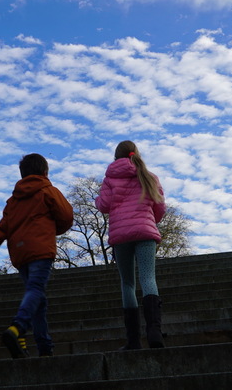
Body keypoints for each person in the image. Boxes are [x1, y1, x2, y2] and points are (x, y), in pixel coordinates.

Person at [0, 153, 73, 359]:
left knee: (37, 299)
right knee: (35, 289)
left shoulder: (13, 201)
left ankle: (43, 346)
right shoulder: (48, 191)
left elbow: (2, 227)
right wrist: (53, 228)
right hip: (40, 249)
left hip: (20, 252)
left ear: (22, 174)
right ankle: (18, 328)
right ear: (45, 172)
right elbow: (66, 215)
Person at [94, 140, 167, 349]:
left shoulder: (110, 178)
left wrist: (98, 199)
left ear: (117, 157)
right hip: (145, 232)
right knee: (148, 277)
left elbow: (104, 205)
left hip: (121, 236)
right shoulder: (149, 176)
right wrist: (150, 220)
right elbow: (160, 207)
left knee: (128, 283)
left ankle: (133, 341)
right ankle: (154, 331)